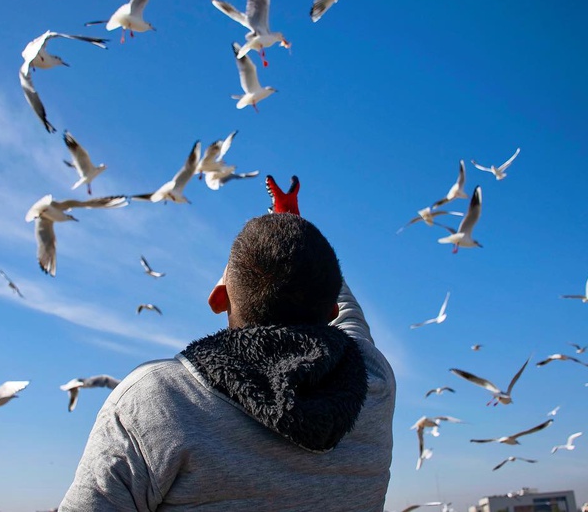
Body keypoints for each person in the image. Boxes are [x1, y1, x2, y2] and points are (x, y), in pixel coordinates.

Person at [59, 212, 395, 511]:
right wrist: (295, 225)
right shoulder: (373, 379)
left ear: (219, 299)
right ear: (331, 311)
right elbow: (347, 313)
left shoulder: (158, 400)